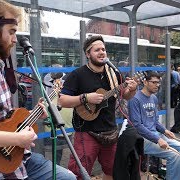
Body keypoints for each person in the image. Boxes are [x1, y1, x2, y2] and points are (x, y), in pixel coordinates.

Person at [0, 1, 76, 179]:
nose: (15, 39)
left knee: (67, 177)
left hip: (18, 160)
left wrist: (33, 114)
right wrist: (17, 139)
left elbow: (2, 120)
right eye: (12, 31)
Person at [58, 35, 137, 180]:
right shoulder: (77, 75)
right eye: (97, 50)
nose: (102, 52)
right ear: (88, 54)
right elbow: (62, 100)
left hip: (110, 131)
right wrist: (85, 98)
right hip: (86, 132)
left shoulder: (113, 73)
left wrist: (132, 89)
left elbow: (124, 96)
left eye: (103, 49)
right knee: (79, 173)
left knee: (112, 170)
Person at [128, 71, 180, 180]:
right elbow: (137, 126)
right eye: (154, 82)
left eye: (158, 82)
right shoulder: (134, 99)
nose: (157, 85)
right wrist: (157, 139)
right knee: (173, 155)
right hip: (142, 138)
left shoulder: (154, 98)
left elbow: (155, 122)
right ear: (145, 82)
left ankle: (173, 177)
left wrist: (165, 130)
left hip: (156, 135)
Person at [43, 63, 74, 165]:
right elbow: (48, 79)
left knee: (61, 153)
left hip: (66, 127)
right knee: (51, 153)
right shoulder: (48, 80)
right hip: (52, 128)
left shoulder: (66, 81)